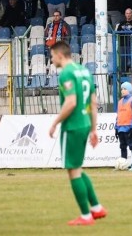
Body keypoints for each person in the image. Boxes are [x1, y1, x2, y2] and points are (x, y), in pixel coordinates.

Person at [47, 41, 107, 226]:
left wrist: (55, 122)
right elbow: (94, 103)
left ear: (59, 55)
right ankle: (96, 208)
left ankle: (86, 215)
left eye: (51, 56)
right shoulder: (84, 71)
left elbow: (71, 102)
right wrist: (94, 129)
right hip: (85, 124)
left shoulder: (66, 73)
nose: (51, 60)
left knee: (73, 170)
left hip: (72, 126)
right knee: (78, 168)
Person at [115, 81, 132, 172]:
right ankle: (124, 163)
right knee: (122, 146)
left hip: (129, 128)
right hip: (121, 128)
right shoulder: (120, 102)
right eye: (122, 89)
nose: (122, 91)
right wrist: (116, 127)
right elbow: (118, 115)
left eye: (125, 89)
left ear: (129, 90)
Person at [116, 8, 132, 74]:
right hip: (122, 44)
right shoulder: (121, 23)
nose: (128, 15)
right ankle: (123, 74)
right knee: (123, 59)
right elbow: (117, 32)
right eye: (127, 13)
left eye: (129, 13)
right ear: (125, 14)